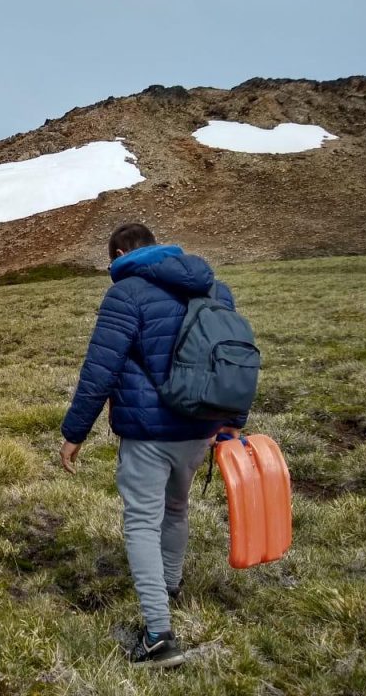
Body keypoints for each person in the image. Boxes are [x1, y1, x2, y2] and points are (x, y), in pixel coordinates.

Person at [59, 223, 246, 668]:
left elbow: (100, 370)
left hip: (147, 430)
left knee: (142, 521)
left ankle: (158, 637)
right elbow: (232, 356)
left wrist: (74, 433)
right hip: (200, 426)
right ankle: (171, 586)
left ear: (121, 252)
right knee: (176, 509)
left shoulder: (126, 294)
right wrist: (232, 421)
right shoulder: (215, 288)